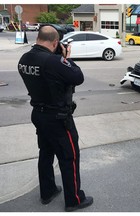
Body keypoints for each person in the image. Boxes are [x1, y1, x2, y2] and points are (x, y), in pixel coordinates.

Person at [18, 25, 93, 212]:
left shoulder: (24, 59)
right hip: (58, 118)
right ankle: (74, 200)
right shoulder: (54, 62)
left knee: (46, 153)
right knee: (69, 157)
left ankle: (48, 191)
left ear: (37, 38)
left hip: (39, 115)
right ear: (55, 42)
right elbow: (78, 77)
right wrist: (66, 57)